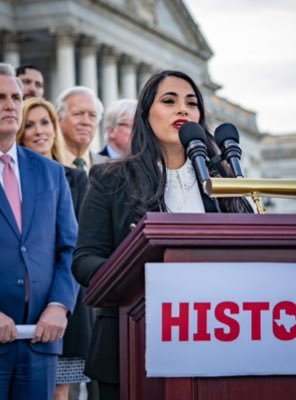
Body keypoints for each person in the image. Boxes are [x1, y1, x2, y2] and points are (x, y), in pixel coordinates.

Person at [72, 70, 253, 399]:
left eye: (191, 103)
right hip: (130, 344)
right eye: (169, 101)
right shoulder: (111, 179)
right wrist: (140, 280)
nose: (182, 110)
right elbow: (85, 260)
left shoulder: (224, 180)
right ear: (145, 114)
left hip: (217, 339)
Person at [0, 64, 77, 399]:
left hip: (41, 342)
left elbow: (70, 248)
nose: (10, 105)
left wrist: (60, 305)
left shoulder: (51, 173)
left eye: (16, 97)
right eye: (0, 97)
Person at [15, 97, 94, 400]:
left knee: (61, 393)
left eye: (45, 122)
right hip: (21, 306)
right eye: (30, 124)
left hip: (66, 304)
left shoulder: (75, 178)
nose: (39, 131)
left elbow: (77, 242)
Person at [56, 86, 107, 173]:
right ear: (59, 119)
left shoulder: (108, 167)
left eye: (92, 115)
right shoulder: (47, 165)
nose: (86, 122)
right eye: (78, 114)